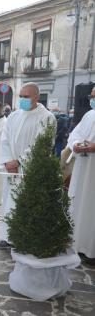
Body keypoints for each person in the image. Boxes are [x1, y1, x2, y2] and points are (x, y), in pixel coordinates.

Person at [0, 83, 56, 249]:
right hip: (12, 170)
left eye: (26, 96)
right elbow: (4, 140)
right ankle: (6, 237)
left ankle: (21, 240)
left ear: (36, 97)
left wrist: (19, 161)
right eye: (20, 96)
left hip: (29, 171)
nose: (22, 99)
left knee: (25, 204)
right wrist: (7, 161)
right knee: (8, 203)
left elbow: (42, 144)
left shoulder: (47, 117)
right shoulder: (14, 116)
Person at [67, 87, 95, 264]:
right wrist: (76, 144)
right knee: (82, 205)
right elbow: (75, 134)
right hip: (84, 166)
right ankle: (80, 244)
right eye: (91, 96)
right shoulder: (89, 115)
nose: (92, 100)